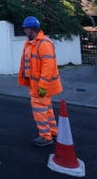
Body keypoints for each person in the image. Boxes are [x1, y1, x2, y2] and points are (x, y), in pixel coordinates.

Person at [18, 16, 63, 147]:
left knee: (39, 111)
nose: (25, 31)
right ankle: (54, 132)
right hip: (36, 84)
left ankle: (45, 136)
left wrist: (42, 86)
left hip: (41, 86)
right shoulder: (31, 43)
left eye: (26, 29)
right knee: (47, 109)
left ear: (33, 29)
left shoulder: (44, 44)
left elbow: (48, 67)